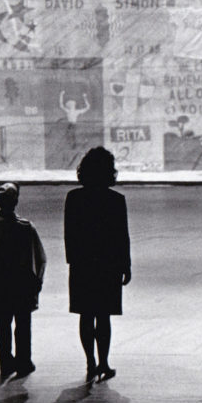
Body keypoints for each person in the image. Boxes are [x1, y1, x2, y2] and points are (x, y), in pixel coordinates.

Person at [64, 146, 131, 383]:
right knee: (104, 317)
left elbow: (69, 234)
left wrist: (73, 261)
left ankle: (90, 362)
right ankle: (103, 362)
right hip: (108, 265)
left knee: (86, 315)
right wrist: (126, 266)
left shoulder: (74, 198)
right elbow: (122, 237)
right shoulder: (116, 200)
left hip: (82, 265)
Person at [0, 182, 47, 379]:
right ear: (16, 201)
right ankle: (24, 362)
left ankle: (6, 362)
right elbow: (39, 259)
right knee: (23, 325)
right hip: (22, 285)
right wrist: (37, 283)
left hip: (2, 286)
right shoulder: (26, 227)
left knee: (3, 326)